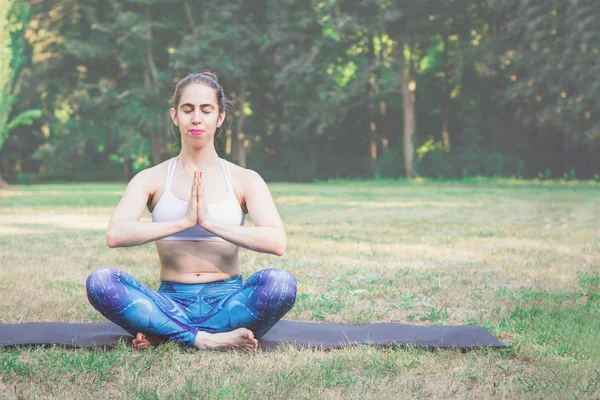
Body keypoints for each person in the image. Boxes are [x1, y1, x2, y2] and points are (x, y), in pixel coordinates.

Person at [86, 72, 297, 352]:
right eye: (188, 110)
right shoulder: (151, 178)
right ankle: (205, 339)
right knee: (100, 282)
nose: (196, 118)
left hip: (228, 301)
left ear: (219, 117)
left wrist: (209, 223)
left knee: (281, 284)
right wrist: (183, 222)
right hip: (171, 301)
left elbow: (276, 242)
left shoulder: (245, 179)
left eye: (206, 110)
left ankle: (169, 332)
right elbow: (116, 234)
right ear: (175, 116)